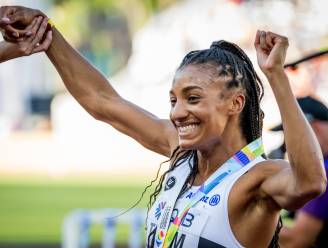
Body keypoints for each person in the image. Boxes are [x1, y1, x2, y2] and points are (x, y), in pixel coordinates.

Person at [0, 6, 326, 248]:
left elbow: (310, 182)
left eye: (193, 98)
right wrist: (49, 35)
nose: (178, 113)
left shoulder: (258, 178)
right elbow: (103, 101)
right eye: (173, 101)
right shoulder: (181, 151)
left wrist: (277, 77)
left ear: (235, 104)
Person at [278, 97, 328, 248]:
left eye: (288, 133)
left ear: (312, 128)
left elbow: (297, 240)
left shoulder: (324, 171)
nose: (286, 144)